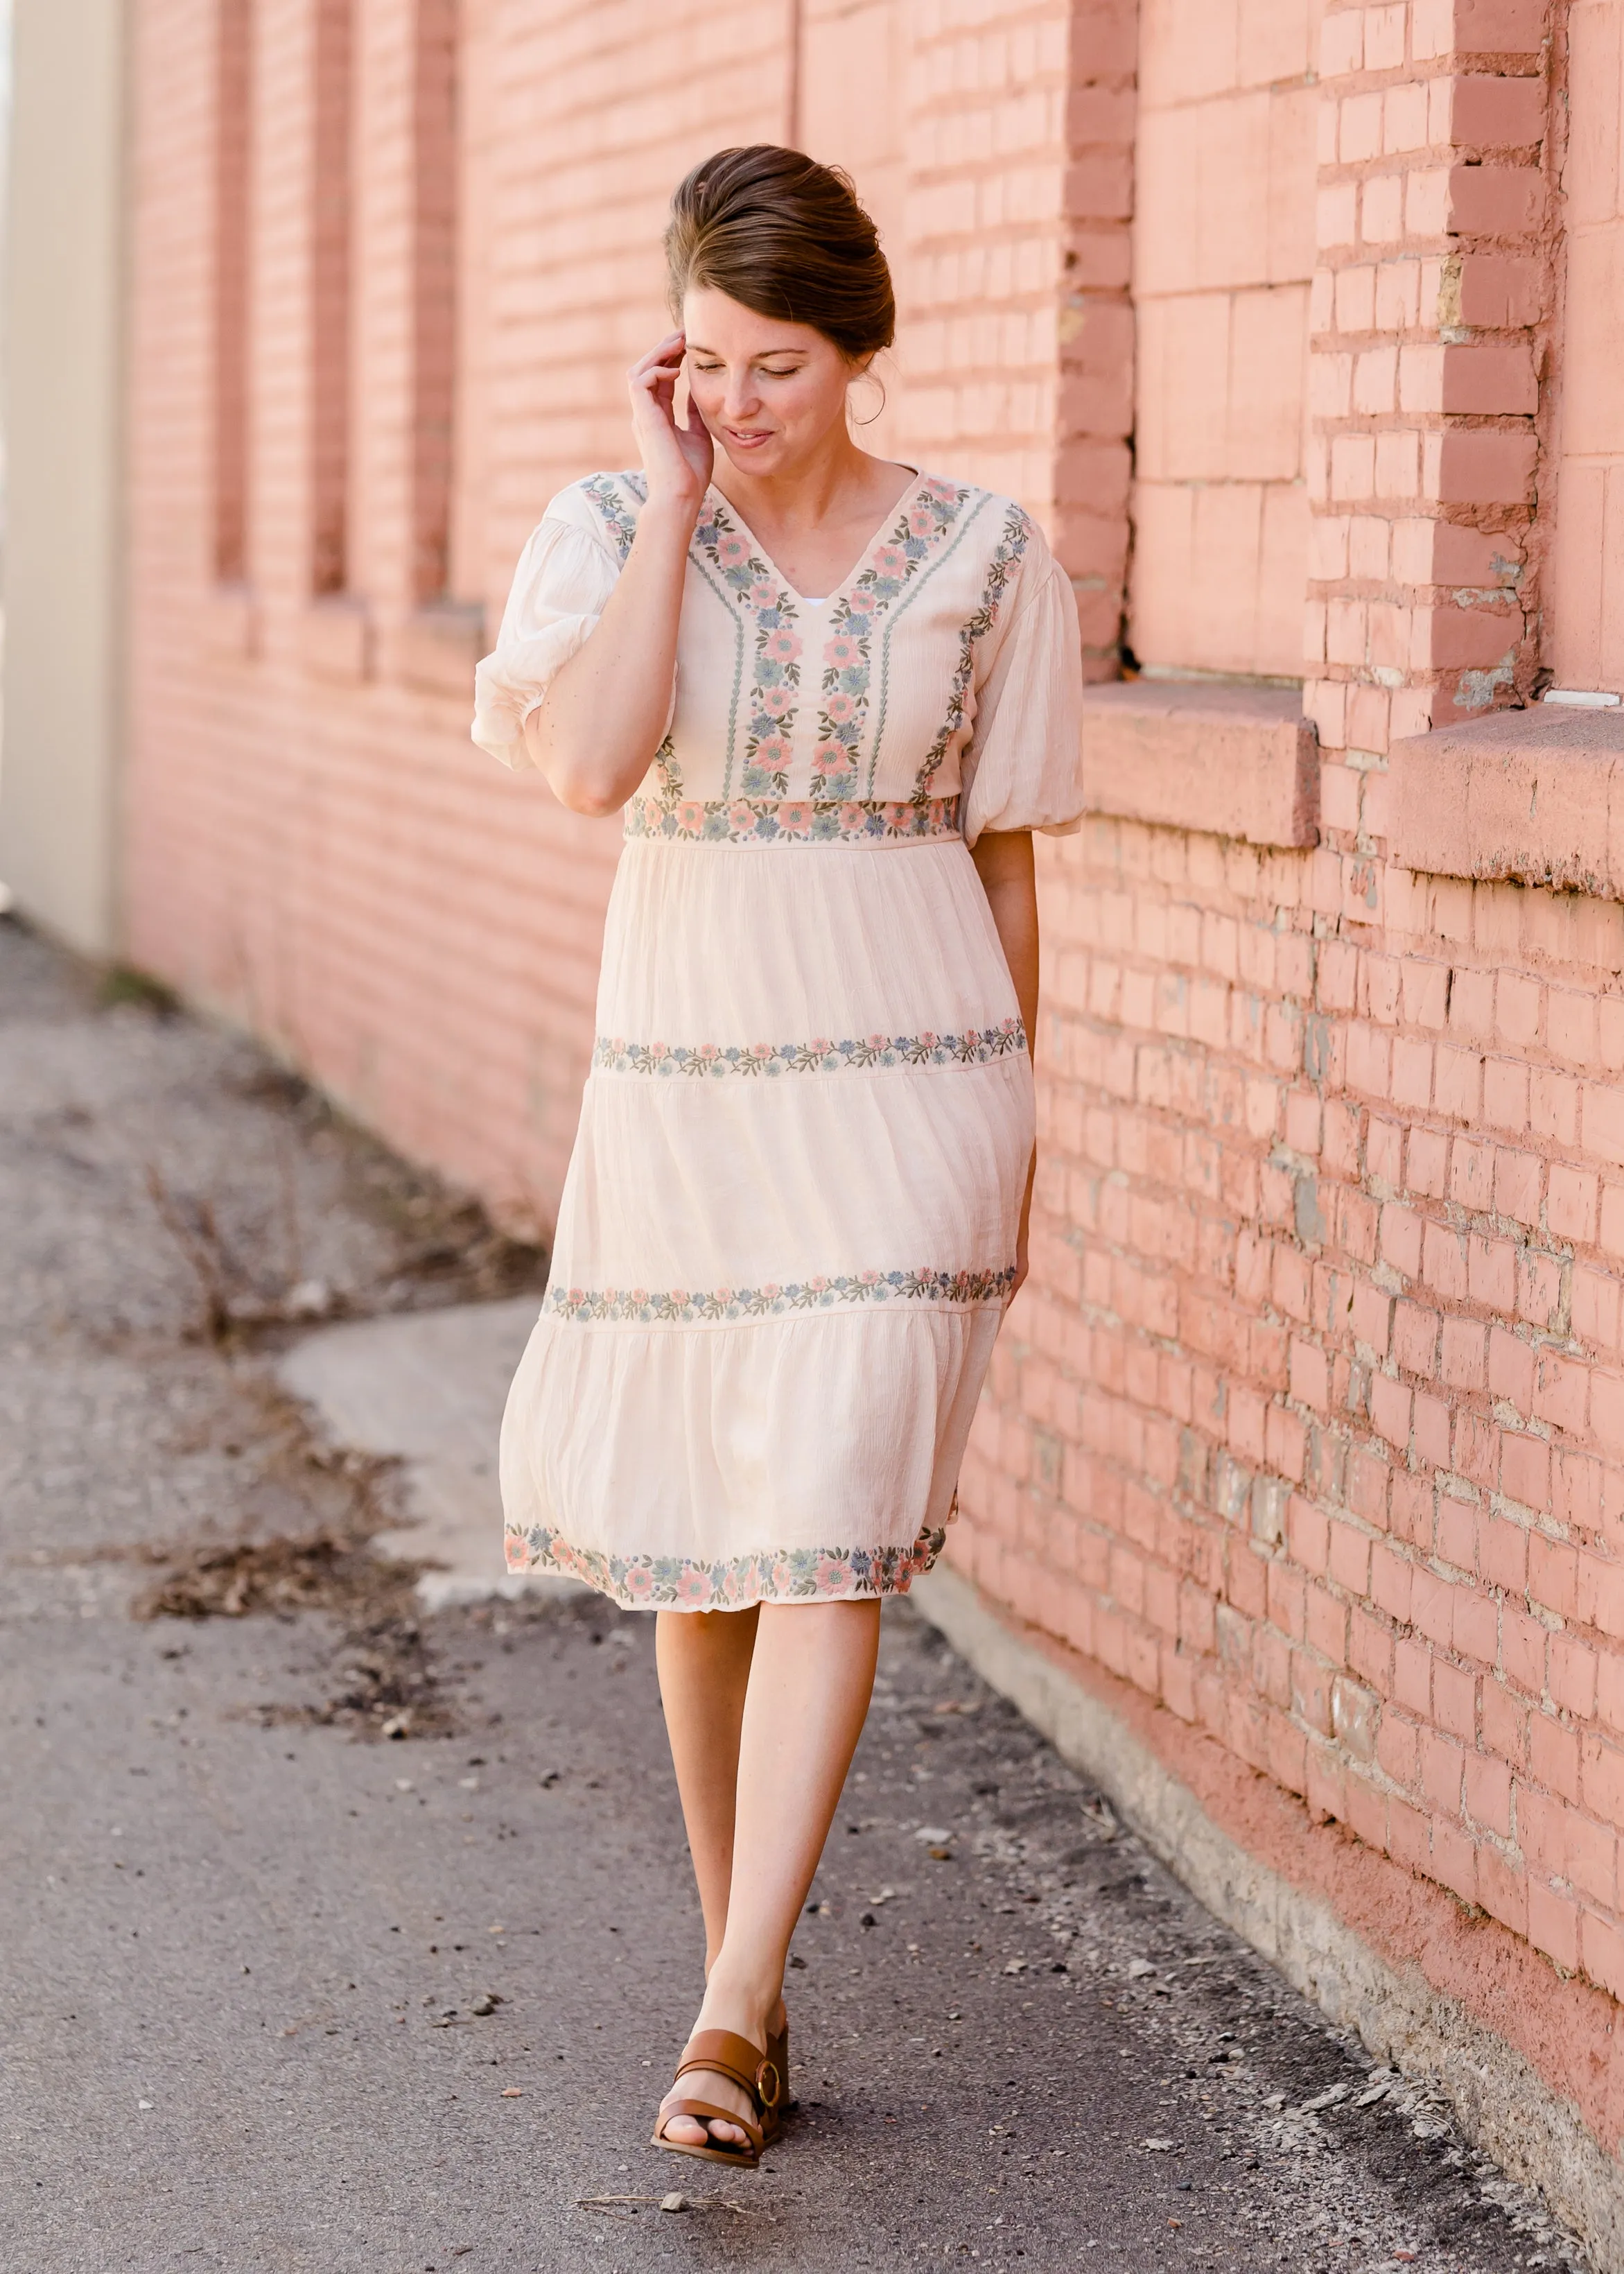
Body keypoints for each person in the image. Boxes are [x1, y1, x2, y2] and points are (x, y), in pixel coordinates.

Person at [471, 144, 1083, 2167]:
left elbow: (1000, 850)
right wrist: (668, 510)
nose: (737, 403)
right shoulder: (604, 527)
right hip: (694, 1080)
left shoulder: (987, 552)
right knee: (711, 1530)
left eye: (780, 368)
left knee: (821, 1508)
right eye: (708, 364)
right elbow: (586, 767)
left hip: (915, 1078)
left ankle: (728, 2009)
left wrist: (1015, 1110)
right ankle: (752, 1962)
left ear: (861, 351)